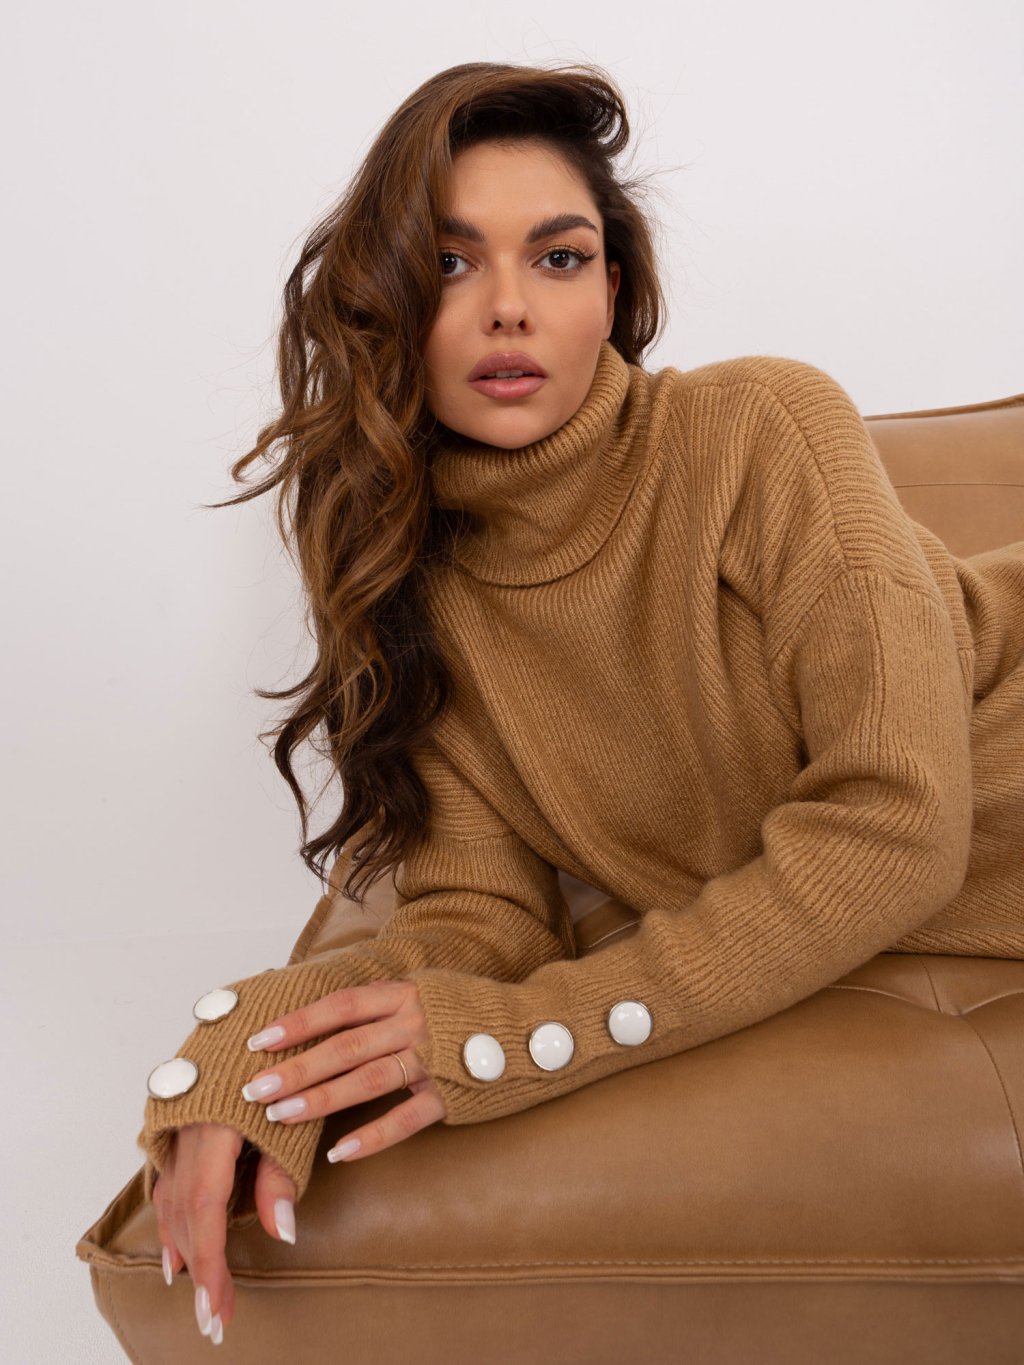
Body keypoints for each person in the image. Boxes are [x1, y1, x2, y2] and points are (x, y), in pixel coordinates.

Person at [136, 61, 1024, 1348]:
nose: (508, 306)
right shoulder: (415, 586)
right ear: (386, 301)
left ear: (613, 289)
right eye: (450, 264)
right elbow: (479, 918)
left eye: (557, 258)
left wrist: (527, 1039)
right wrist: (248, 1056)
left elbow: (892, 827)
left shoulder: (757, 426)